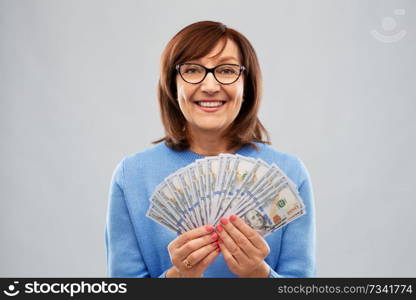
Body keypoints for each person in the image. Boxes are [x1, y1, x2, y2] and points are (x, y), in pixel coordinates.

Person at [105, 20, 316, 278]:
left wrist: (260, 275)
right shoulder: (131, 176)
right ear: (173, 85)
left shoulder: (290, 174)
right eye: (193, 70)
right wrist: (178, 277)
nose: (210, 86)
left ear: (246, 85)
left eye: (226, 70)